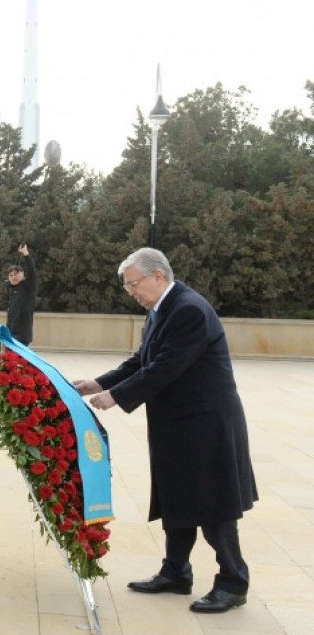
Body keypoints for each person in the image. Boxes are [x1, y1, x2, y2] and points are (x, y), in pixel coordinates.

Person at [73, 247, 257, 615]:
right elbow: (142, 360)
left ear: (158, 276)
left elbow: (165, 368)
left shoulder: (189, 310)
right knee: (177, 496)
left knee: (212, 503)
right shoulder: (160, 311)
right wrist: (98, 382)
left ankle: (233, 582)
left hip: (205, 424)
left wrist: (116, 396)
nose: (131, 292)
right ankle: (175, 572)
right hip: (177, 424)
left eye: (133, 284)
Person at [5, 243, 37, 345]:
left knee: (20, 361)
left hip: (22, 335)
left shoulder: (28, 287)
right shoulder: (11, 289)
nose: (13, 277)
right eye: (10, 275)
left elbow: (32, 272)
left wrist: (25, 254)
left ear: (22, 275)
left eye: (16, 274)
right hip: (10, 334)